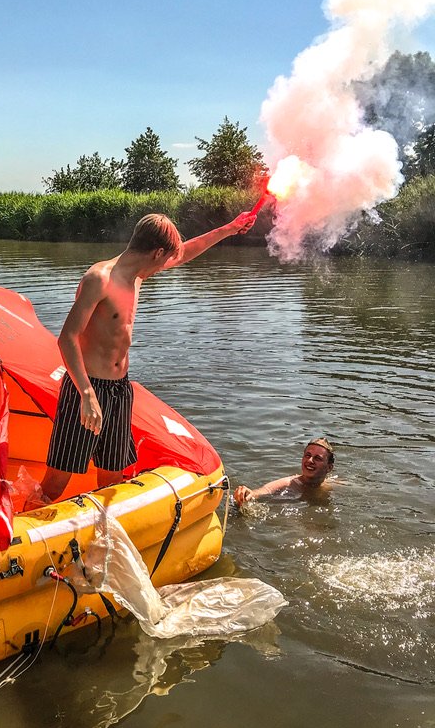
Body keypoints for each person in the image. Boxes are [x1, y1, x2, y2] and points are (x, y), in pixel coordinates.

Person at [30, 210, 257, 507]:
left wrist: (230, 228)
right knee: (56, 482)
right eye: (166, 259)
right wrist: (86, 393)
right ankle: (23, 525)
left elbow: (185, 252)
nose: (168, 265)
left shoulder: (138, 275)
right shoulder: (100, 279)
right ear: (157, 252)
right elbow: (67, 338)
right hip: (86, 388)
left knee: (112, 476)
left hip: (119, 390)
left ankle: (103, 529)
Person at [233, 438, 335, 505]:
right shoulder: (289, 483)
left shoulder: (330, 484)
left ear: (329, 467)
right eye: (307, 455)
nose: (310, 460)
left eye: (317, 458)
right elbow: (264, 490)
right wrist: (249, 493)